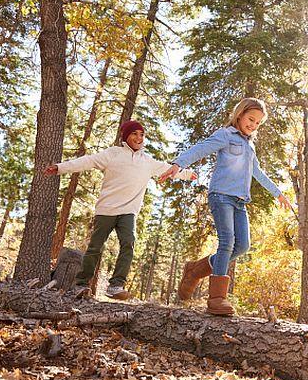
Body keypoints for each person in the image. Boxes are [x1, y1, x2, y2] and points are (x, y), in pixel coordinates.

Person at [159, 98, 292, 315]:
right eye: (251, 119)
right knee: (227, 242)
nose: (253, 125)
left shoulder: (250, 146)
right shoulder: (225, 135)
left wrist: (278, 193)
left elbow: (258, 173)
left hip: (240, 201)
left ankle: (195, 270)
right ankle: (217, 298)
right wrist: (178, 164)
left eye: (258, 123)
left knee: (242, 246)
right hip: (221, 196)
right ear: (239, 115)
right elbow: (201, 149)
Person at [44, 120, 196, 300]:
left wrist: (187, 174)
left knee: (128, 242)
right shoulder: (113, 154)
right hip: (106, 209)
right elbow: (87, 161)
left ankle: (116, 285)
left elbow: (168, 169)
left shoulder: (147, 161)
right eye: (134, 134)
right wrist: (60, 168)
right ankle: (81, 284)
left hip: (128, 211)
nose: (139, 138)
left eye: (142, 134)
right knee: (95, 247)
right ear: (126, 136)